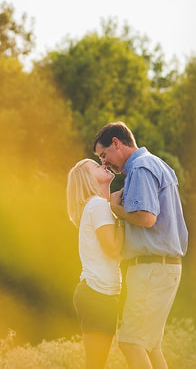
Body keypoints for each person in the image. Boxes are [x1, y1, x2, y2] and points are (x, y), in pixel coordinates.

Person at [93, 122, 188, 369]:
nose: (105, 164)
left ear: (116, 142)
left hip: (152, 268)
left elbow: (146, 217)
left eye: (104, 155)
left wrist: (113, 208)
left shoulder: (140, 168)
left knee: (131, 343)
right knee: (150, 345)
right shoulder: (155, 164)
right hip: (163, 267)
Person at [67, 158, 125, 369]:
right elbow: (113, 248)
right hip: (97, 294)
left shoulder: (97, 206)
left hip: (99, 294)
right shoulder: (98, 205)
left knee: (96, 363)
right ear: (87, 179)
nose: (103, 165)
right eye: (95, 166)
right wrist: (121, 217)